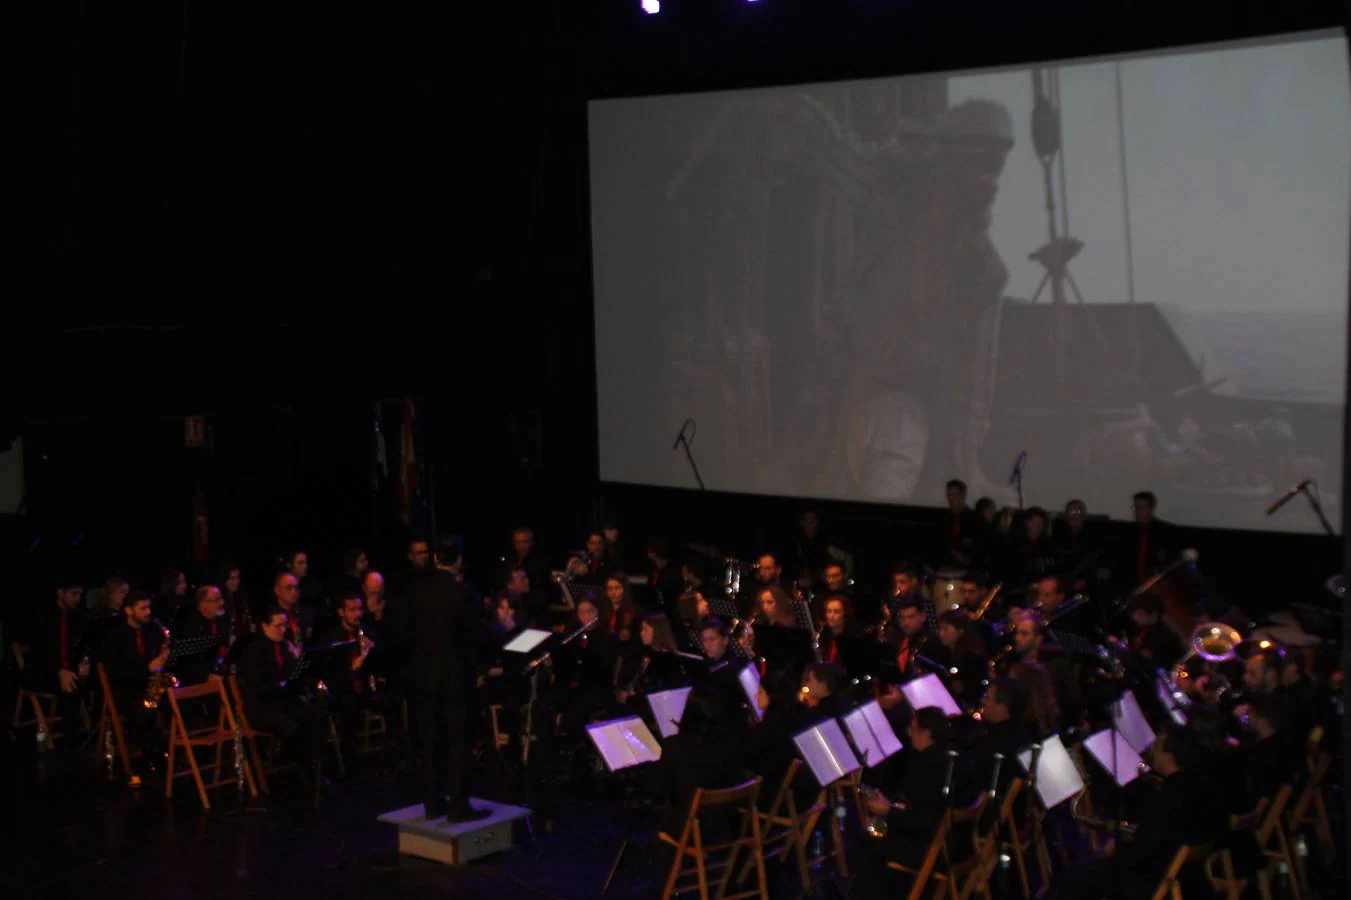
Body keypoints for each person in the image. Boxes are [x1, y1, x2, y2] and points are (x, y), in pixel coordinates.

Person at [1055, 724, 1225, 899]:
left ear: (1170, 757)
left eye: (1157, 748)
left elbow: (1142, 852)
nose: (1152, 751)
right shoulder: (1195, 786)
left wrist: (1118, 847)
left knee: (1072, 879)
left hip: (1156, 881)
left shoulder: (1169, 796)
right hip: (1190, 879)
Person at [403, 535, 490, 822]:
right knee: (457, 742)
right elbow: (476, 636)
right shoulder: (463, 593)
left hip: (423, 678)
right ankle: (458, 805)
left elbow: (408, 633)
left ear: (435, 558)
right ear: (459, 560)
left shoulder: (416, 590)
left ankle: (431, 802)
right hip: (455, 679)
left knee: (428, 741)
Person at [857, 707, 955, 893]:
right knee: (874, 827)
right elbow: (921, 808)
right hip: (949, 841)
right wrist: (892, 806)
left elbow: (923, 822)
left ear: (925, 733)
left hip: (930, 848)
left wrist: (887, 811)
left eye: (912, 729)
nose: (909, 734)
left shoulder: (928, 767)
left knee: (868, 835)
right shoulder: (946, 756)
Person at [237, 607, 327, 772]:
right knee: (291, 728)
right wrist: (282, 685)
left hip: (284, 701)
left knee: (316, 716)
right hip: (263, 707)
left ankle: (315, 768)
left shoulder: (284, 646)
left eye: (285, 626)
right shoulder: (254, 651)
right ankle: (303, 770)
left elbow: (293, 675)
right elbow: (257, 685)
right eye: (278, 626)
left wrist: (298, 662)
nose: (283, 630)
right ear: (264, 626)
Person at [173, 585, 231, 686]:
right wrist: (206, 677)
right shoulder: (189, 627)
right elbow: (184, 664)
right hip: (197, 684)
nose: (222, 603)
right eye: (216, 600)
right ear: (203, 603)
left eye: (221, 598)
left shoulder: (221, 622)